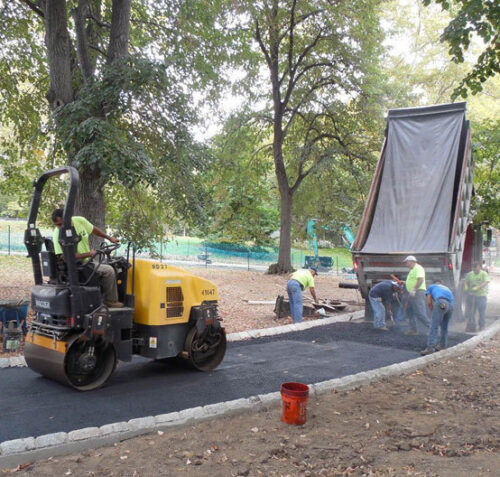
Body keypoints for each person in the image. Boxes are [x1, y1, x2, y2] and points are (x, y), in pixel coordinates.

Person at [52, 209, 123, 308]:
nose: (59, 227)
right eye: (57, 225)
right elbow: (65, 258)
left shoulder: (79, 221)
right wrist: (88, 254)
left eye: (61, 224)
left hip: (88, 261)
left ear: (68, 219)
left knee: (110, 264)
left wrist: (109, 238)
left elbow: (93, 229)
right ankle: (111, 301)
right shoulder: (58, 235)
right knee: (109, 271)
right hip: (79, 265)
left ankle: (101, 296)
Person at [420, 281, 454, 355]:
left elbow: (429, 301)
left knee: (434, 325)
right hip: (450, 306)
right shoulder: (446, 288)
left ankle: (430, 348)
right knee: (444, 327)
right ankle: (442, 345)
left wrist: (432, 310)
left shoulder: (431, 287)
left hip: (441, 303)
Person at [403, 255, 429, 335]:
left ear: (411, 262)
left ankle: (431, 328)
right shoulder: (412, 269)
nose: (405, 264)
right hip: (412, 293)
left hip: (418, 293)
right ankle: (413, 330)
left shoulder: (418, 268)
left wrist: (414, 289)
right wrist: (405, 283)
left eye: (406, 262)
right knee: (410, 311)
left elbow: (421, 279)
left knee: (420, 312)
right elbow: (412, 280)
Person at [464, 262, 489, 332]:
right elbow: (466, 281)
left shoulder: (484, 274)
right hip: (472, 296)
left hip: (481, 296)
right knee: (471, 312)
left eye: (476, 268)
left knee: (482, 312)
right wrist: (466, 286)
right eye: (473, 268)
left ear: (479, 267)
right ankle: (472, 326)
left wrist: (478, 287)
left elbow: (486, 282)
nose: (475, 269)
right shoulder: (470, 274)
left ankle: (482, 326)